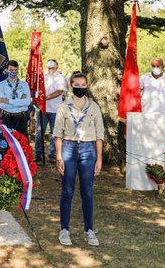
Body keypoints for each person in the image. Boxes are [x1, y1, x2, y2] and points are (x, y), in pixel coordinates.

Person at [54, 71, 104, 247]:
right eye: (77, 85)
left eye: (83, 85)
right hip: (68, 148)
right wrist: (59, 156)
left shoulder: (94, 107)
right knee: (67, 191)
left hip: (88, 149)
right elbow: (57, 134)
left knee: (87, 192)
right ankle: (64, 230)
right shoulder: (63, 107)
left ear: (87, 86)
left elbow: (99, 135)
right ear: (71, 86)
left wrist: (99, 159)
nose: (80, 88)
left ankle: (89, 230)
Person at [35, 59, 68, 163]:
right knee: (40, 132)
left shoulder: (60, 77)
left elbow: (59, 91)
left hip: (55, 110)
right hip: (42, 109)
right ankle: (38, 154)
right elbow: (37, 90)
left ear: (56, 67)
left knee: (55, 133)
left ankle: (51, 154)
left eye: (52, 68)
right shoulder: (43, 77)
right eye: (49, 68)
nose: (50, 70)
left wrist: (45, 97)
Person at [0, 60, 31, 138]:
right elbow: (2, 104)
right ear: (6, 70)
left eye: (16, 70)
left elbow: (27, 102)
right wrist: (20, 101)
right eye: (11, 70)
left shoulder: (24, 85)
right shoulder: (1, 85)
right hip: (7, 118)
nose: (14, 72)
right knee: (6, 143)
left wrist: (8, 101)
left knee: (23, 144)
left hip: (21, 118)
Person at [139, 57, 165, 127]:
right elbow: (137, 95)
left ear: (163, 67)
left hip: (161, 116)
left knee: (160, 138)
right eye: (153, 66)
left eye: (158, 66)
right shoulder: (144, 78)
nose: (155, 68)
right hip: (145, 115)